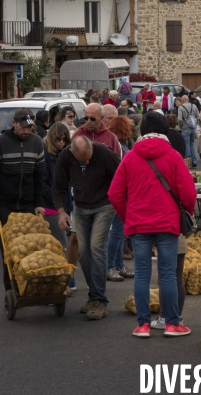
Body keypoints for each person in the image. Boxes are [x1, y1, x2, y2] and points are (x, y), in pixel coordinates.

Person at [108, 112, 196, 337]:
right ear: (164, 130)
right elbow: (188, 192)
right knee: (167, 274)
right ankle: (172, 324)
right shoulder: (173, 156)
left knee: (142, 275)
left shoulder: (130, 157)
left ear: (142, 131)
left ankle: (143, 325)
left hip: (138, 223)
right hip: (167, 223)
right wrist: (188, 211)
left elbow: (115, 194)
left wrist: (128, 217)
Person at [53, 136, 120, 320]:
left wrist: (119, 202)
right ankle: (94, 295)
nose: (87, 162)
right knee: (83, 251)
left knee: (96, 247)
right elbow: (58, 186)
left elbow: (122, 176)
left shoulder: (105, 153)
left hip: (104, 205)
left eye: (89, 158)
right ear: (73, 153)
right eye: (83, 160)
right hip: (81, 207)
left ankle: (100, 300)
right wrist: (61, 212)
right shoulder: (65, 157)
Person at [0, 108, 45, 292]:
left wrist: (38, 202)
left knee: (30, 248)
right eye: (23, 127)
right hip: (4, 205)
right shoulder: (2, 142)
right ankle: (11, 289)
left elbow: (39, 175)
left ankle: (29, 286)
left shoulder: (36, 143)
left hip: (27, 204)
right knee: (9, 250)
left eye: (29, 128)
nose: (27, 131)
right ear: (14, 123)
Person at [106, 116, 135, 282]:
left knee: (118, 231)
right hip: (120, 193)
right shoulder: (121, 147)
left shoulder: (112, 143)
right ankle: (111, 266)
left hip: (113, 192)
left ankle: (118, 265)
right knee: (117, 231)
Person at [43, 122, 71, 248]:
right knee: (61, 245)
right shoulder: (45, 156)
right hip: (49, 206)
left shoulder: (64, 155)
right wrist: (57, 202)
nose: (61, 142)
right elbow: (42, 184)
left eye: (64, 139)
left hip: (62, 205)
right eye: (58, 139)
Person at [178, 95, 200, 169]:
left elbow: (180, 119)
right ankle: (194, 161)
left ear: (182, 100)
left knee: (186, 144)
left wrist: (181, 127)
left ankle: (189, 162)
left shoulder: (181, 108)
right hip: (193, 127)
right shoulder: (194, 106)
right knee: (192, 144)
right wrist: (195, 124)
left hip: (185, 127)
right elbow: (198, 116)